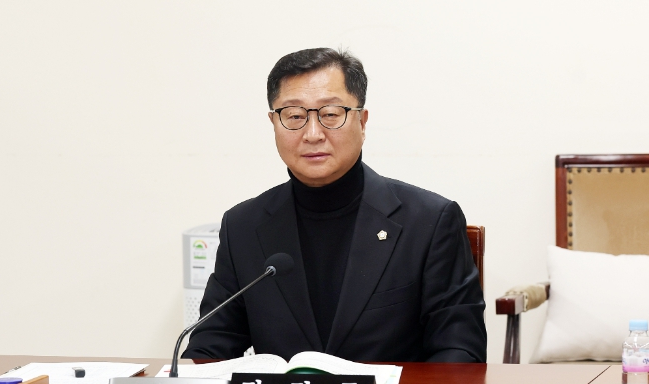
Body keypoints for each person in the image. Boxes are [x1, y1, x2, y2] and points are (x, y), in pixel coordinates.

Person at [183, 48, 486, 363]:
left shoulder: (429, 222)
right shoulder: (242, 227)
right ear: (273, 123)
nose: (313, 134)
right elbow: (209, 348)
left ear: (362, 122)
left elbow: (460, 355)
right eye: (295, 116)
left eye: (330, 114)